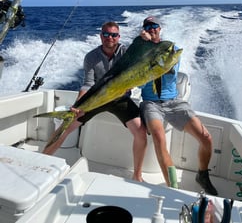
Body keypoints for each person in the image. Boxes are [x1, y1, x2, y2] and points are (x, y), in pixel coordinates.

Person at [43, 21, 147, 182]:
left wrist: (144, 40)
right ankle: (42, 159)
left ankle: (137, 175)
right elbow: (88, 83)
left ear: (119, 37)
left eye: (113, 35)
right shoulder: (91, 57)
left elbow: (142, 58)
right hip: (97, 99)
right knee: (64, 128)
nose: (109, 38)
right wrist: (78, 105)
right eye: (106, 34)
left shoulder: (127, 52)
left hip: (120, 99)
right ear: (100, 36)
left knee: (141, 132)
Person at [139, 16, 218, 195]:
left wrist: (150, 46)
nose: (151, 29)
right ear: (144, 30)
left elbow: (166, 69)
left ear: (160, 28)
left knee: (206, 137)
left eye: (154, 26)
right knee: (159, 138)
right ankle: (173, 188)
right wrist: (142, 44)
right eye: (147, 26)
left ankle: (203, 175)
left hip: (174, 102)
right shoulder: (140, 50)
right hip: (151, 103)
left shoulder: (170, 48)